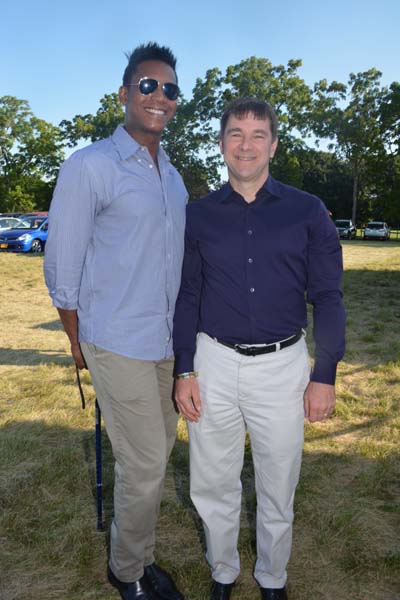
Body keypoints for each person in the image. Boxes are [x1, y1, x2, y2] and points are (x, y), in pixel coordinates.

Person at [173, 97, 346, 600]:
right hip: (214, 363)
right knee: (212, 481)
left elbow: (329, 297)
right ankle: (223, 572)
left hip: (283, 366)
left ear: (272, 143)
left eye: (256, 135)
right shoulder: (197, 216)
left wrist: (325, 374)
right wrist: (185, 369)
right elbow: (187, 295)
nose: (245, 145)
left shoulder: (307, 211)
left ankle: (273, 577)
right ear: (222, 143)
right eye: (235, 134)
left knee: (277, 481)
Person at [44, 42, 187, 600]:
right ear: (125, 93)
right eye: (148, 85)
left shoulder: (172, 176)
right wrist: (77, 340)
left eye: (170, 89)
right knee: (146, 464)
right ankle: (126, 571)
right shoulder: (90, 165)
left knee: (152, 459)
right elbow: (62, 263)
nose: (159, 96)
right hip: (117, 341)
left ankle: (140, 556)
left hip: (166, 343)